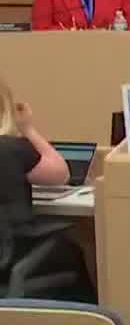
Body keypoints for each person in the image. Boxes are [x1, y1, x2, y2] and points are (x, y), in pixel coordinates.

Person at [0, 80, 96, 302]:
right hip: (12, 259)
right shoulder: (12, 148)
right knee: (71, 248)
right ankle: (87, 320)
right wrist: (27, 128)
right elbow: (61, 174)